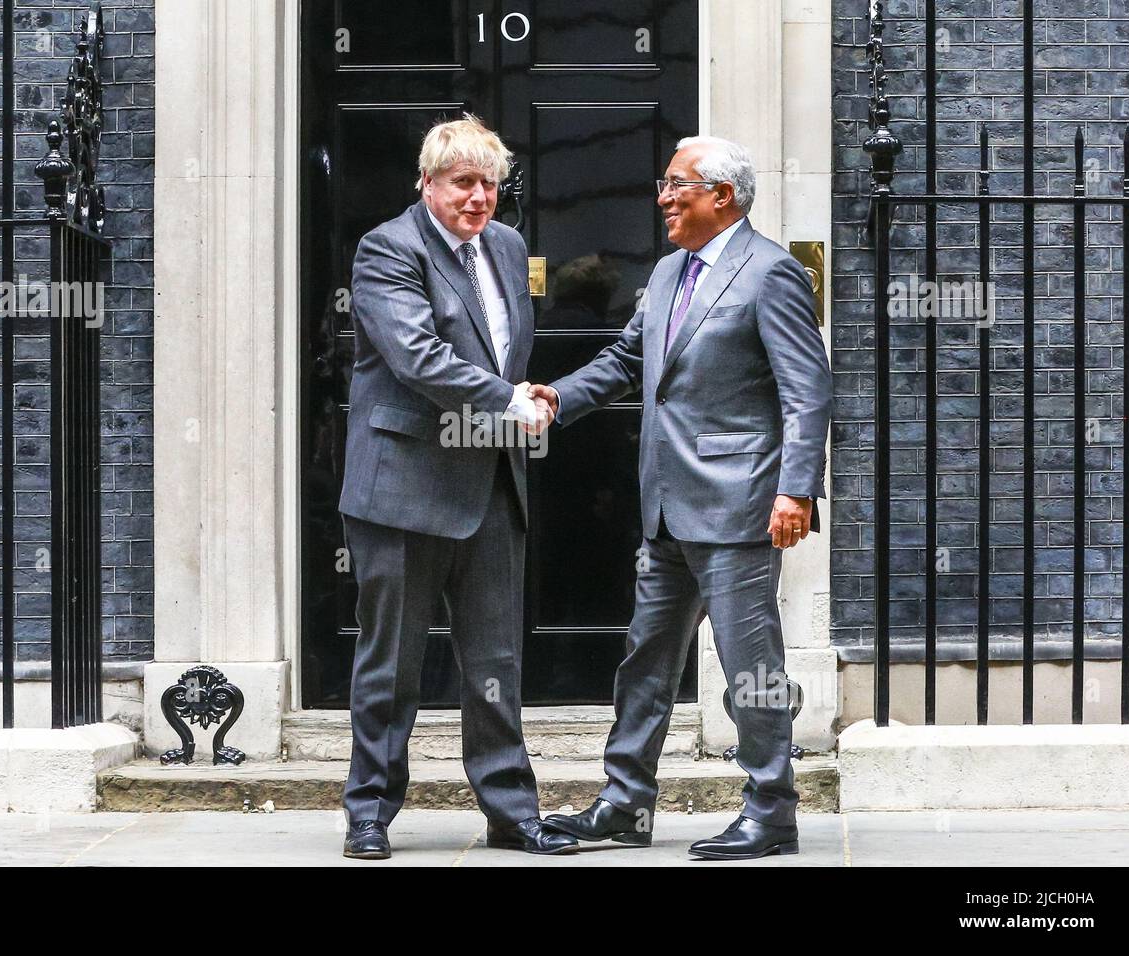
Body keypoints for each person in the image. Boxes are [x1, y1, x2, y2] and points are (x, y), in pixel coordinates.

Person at [531, 136, 833, 860]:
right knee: (646, 660)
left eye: (676, 184)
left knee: (750, 667)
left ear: (721, 195)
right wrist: (556, 397)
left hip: (740, 507)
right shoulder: (669, 272)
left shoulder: (771, 274)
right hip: (666, 507)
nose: (662, 197)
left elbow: (808, 390)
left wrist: (796, 489)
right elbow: (628, 359)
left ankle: (772, 808)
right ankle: (625, 802)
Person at [338, 115, 574, 859]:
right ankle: (370, 813)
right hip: (402, 487)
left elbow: (503, 353)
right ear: (428, 182)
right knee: (392, 663)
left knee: (497, 663)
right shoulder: (388, 249)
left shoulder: (503, 247)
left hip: (492, 480)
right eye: (463, 183)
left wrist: (514, 403)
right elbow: (416, 355)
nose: (479, 199)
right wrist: (511, 402)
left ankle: (511, 812)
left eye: (490, 185)